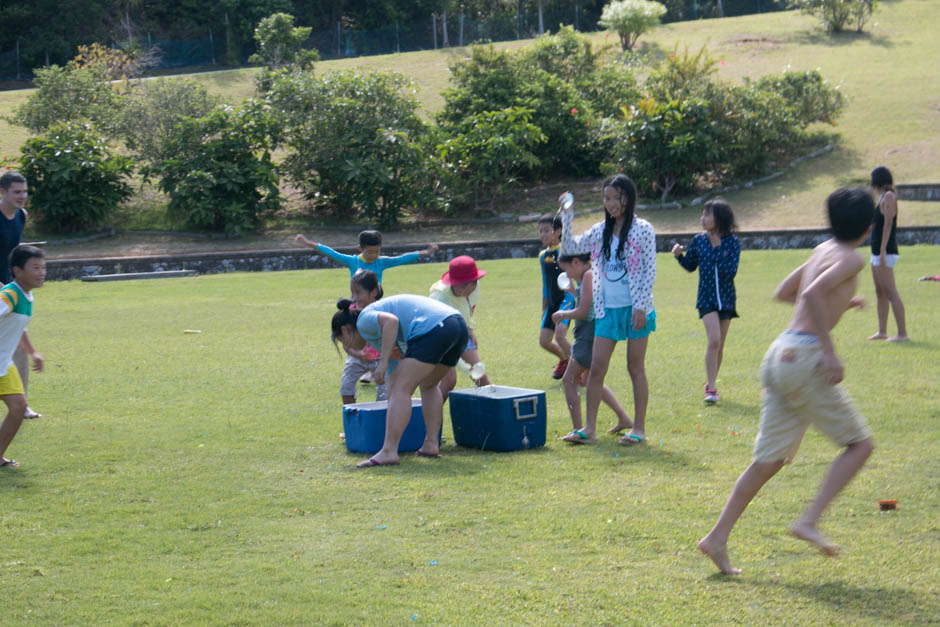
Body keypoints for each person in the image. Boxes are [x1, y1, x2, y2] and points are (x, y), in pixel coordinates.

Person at [698, 187, 876, 576]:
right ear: (867, 226)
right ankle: (808, 520)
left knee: (768, 461)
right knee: (860, 445)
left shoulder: (821, 250)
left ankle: (716, 538)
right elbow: (811, 294)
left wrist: (840, 304)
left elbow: (786, 292)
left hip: (780, 354)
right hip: (806, 358)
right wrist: (829, 350)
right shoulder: (852, 257)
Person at [560, 174, 656, 446]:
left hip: (636, 308)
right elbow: (569, 247)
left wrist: (640, 305)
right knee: (597, 367)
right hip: (607, 309)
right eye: (607, 198)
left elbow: (650, 270)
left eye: (616, 197)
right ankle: (589, 429)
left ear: (628, 198)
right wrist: (567, 215)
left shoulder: (643, 229)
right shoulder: (599, 230)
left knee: (635, 366)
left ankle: (638, 428)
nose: (611, 203)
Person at [331, 294, 468, 468]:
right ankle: (431, 444)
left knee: (402, 389)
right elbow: (395, 371)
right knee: (428, 384)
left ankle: (389, 451)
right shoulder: (378, 334)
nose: (348, 347)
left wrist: (383, 363)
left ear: (344, 330)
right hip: (456, 325)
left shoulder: (364, 320)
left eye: (343, 342)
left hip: (434, 327)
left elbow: (392, 322)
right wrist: (392, 393)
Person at [553, 252, 633, 442]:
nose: (568, 275)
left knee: (569, 380)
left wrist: (563, 315)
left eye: (567, 270)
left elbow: (584, 312)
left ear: (576, 262)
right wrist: (574, 292)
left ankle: (580, 430)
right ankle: (624, 418)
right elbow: (588, 305)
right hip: (590, 333)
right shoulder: (588, 276)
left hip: (588, 335)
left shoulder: (589, 275)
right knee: (591, 380)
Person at [672, 199, 741, 404]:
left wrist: (718, 249)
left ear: (719, 218)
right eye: (702, 214)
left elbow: (731, 272)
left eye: (707, 215)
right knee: (714, 340)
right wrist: (679, 256)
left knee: (719, 345)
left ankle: (710, 382)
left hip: (727, 299)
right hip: (706, 299)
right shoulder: (699, 240)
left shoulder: (732, 242)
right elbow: (691, 265)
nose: (702, 219)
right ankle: (711, 388)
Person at [0, 245, 46, 469]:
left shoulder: (26, 296)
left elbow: (19, 328)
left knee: (18, 408)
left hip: (3, 364)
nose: (41, 273)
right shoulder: (9, 295)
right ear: (17, 271)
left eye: (43, 268)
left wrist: (33, 352)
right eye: (35, 268)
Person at [0, 172, 40, 420]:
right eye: (17, 192)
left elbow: (15, 253)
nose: (22, 196)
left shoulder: (21, 216)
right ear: (2, 192)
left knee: (18, 342)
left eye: (24, 191)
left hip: (10, 287)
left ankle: (21, 404)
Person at [428, 255, 492, 402]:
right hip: (439, 337)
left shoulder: (473, 288)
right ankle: (430, 418)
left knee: (480, 376)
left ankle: (495, 417)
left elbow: (468, 308)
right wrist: (459, 361)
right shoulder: (439, 297)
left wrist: (470, 329)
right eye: (460, 285)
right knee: (449, 380)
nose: (463, 289)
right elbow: (433, 327)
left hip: (460, 330)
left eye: (468, 285)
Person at [294, 229, 438, 281]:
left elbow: (403, 258)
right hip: (356, 304)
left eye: (377, 251)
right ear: (360, 248)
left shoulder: (382, 262)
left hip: (376, 303)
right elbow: (329, 252)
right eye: (370, 252)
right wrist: (307, 242)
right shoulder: (352, 261)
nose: (374, 255)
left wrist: (426, 252)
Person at [867, 166, 908, 342]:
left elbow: (888, 223)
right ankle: (882, 331)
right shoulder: (882, 197)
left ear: (878, 181)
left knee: (891, 292)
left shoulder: (889, 196)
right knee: (880, 292)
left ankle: (902, 334)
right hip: (876, 250)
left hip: (886, 250)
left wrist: (883, 249)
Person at [338, 270, 387, 406]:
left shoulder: (382, 312)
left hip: (380, 360)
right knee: (346, 386)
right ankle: (351, 415)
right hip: (356, 358)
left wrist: (384, 361)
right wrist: (356, 353)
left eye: (358, 293)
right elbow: (345, 340)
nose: (354, 297)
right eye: (353, 292)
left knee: (385, 394)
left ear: (373, 293)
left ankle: (383, 418)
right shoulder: (351, 312)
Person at [537, 214, 574, 379]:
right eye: (540, 231)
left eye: (547, 230)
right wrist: (544, 307)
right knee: (544, 341)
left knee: (560, 336)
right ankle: (564, 359)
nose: (543, 234)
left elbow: (576, 279)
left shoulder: (564, 252)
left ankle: (580, 368)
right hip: (552, 302)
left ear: (558, 231)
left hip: (566, 299)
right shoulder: (542, 256)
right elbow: (546, 283)